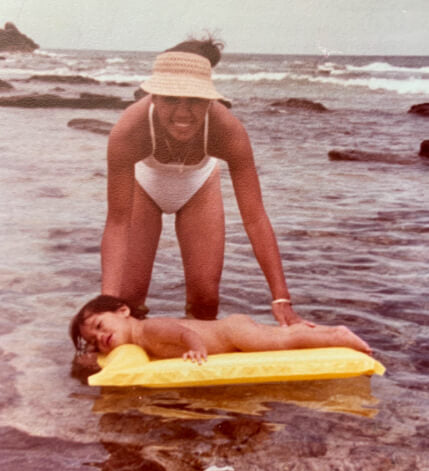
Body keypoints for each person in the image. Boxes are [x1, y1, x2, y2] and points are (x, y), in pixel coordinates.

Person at [101, 36, 304, 326]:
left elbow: (255, 218)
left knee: (206, 301)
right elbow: (117, 223)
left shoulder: (228, 131)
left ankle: (196, 351)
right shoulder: (129, 132)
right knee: (128, 299)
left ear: (210, 99)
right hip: (143, 186)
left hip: (199, 185)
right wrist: (106, 305)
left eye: (195, 100)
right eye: (171, 99)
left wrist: (281, 298)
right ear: (153, 97)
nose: (183, 112)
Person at [70, 295, 372, 364]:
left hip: (232, 334)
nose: (100, 337)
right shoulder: (130, 339)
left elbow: (182, 334)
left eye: (100, 326)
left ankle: (336, 335)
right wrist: (91, 355)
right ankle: (324, 334)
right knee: (281, 339)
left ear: (124, 312)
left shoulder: (147, 329)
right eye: (93, 340)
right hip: (230, 335)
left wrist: (196, 348)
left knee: (283, 342)